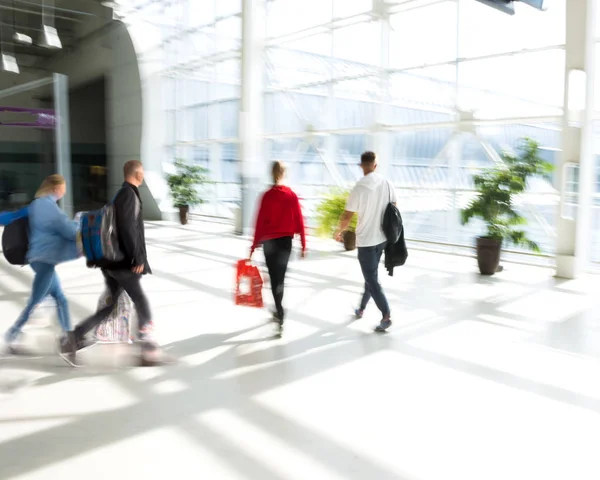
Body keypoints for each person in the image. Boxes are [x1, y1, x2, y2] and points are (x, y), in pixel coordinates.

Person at [65, 160, 166, 366]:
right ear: (137, 174)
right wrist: (137, 258)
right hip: (121, 262)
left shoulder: (121, 194)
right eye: (142, 172)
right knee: (140, 300)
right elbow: (129, 230)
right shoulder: (129, 195)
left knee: (110, 307)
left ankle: (75, 337)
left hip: (111, 262)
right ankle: (146, 349)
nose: (144, 175)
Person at [4, 175, 79, 359]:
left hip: (40, 258)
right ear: (55, 188)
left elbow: (12, 216)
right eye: (63, 187)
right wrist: (79, 223)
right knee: (35, 301)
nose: (64, 191)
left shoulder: (37, 204)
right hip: (44, 259)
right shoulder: (47, 206)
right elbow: (68, 230)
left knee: (60, 298)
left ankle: (67, 338)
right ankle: (12, 335)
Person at [335, 151, 397, 332]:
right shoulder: (387, 183)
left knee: (371, 278)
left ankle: (386, 315)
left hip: (367, 241)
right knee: (371, 276)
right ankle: (361, 308)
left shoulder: (360, 187)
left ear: (362, 166)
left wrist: (339, 231)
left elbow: (347, 214)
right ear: (375, 165)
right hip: (382, 239)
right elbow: (394, 208)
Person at [250, 161, 306, 331]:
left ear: (271, 173)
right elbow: (300, 220)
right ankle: (279, 310)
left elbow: (259, 222)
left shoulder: (266, 196)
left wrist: (253, 246)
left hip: (269, 243)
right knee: (280, 278)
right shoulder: (291, 195)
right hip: (285, 243)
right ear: (284, 174)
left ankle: (279, 311)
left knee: (274, 278)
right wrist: (303, 243)